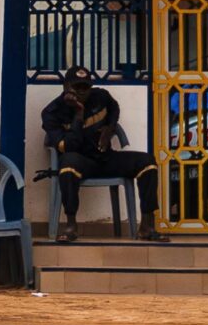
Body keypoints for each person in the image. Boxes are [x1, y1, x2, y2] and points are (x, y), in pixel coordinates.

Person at [41, 66, 163, 242]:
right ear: (66, 87)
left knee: (147, 162)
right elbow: (69, 146)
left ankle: (146, 226)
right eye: (77, 87)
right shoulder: (52, 112)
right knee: (67, 164)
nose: (83, 92)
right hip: (81, 162)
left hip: (106, 158)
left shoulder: (100, 96)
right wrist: (78, 114)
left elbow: (114, 107)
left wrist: (110, 127)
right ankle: (71, 226)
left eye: (86, 87)